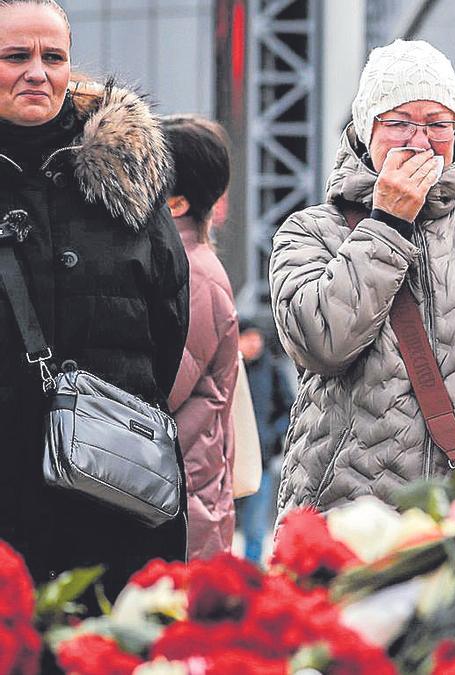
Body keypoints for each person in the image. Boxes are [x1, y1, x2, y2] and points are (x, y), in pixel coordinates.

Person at [270, 39, 455, 513]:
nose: (419, 140)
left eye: (438, 124)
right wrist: (387, 223)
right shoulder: (311, 231)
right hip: (346, 519)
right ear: (366, 129)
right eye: (399, 123)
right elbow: (320, 343)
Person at [0, 0, 188, 585]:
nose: (38, 71)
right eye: (14, 56)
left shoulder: (125, 182)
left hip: (110, 496)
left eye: (53, 56)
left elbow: (169, 324)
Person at [163, 115, 239, 561]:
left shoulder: (194, 276)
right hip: (183, 494)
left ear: (175, 202)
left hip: (184, 503)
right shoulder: (187, 264)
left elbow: (162, 391)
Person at [234, 317, 295, 563]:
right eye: (248, 337)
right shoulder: (228, 369)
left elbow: (289, 408)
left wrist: (273, 434)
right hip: (229, 461)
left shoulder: (272, 371)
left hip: (262, 461)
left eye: (257, 338)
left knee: (255, 527)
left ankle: (250, 573)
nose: (254, 343)